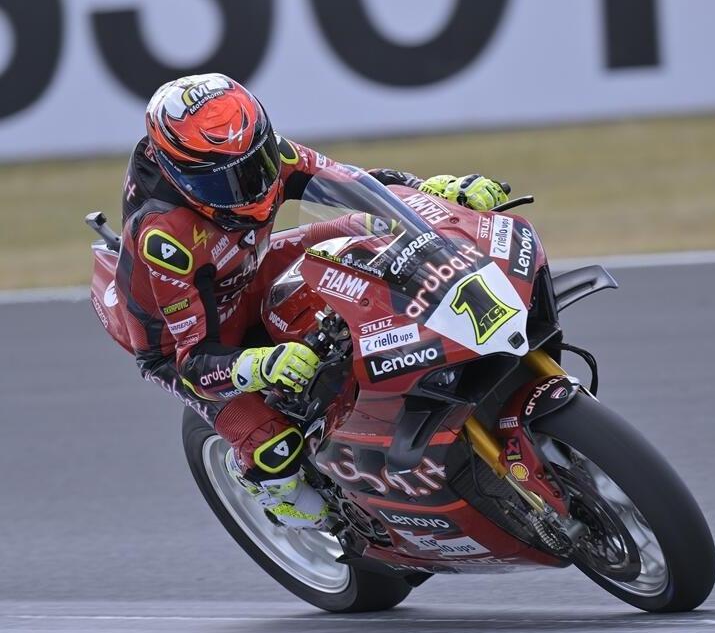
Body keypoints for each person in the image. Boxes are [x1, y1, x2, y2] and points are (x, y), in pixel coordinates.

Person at [116, 72, 509, 529]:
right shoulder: (166, 238)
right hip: (184, 343)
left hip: (249, 268)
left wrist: (430, 192)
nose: (251, 187)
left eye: (255, 164)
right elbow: (192, 361)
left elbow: (354, 185)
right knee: (275, 448)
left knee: (368, 231)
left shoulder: (263, 153)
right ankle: (270, 490)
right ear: (180, 177)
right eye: (225, 183)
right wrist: (261, 364)